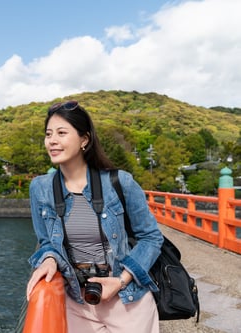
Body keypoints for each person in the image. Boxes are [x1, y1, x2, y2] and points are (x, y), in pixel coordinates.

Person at [26, 100, 164, 333]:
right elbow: (46, 241)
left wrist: (121, 281)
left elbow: (151, 237)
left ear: (84, 139)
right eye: (48, 134)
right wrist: (49, 259)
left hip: (127, 301)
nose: (52, 141)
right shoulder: (40, 188)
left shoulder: (119, 182)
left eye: (61, 133)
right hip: (77, 302)